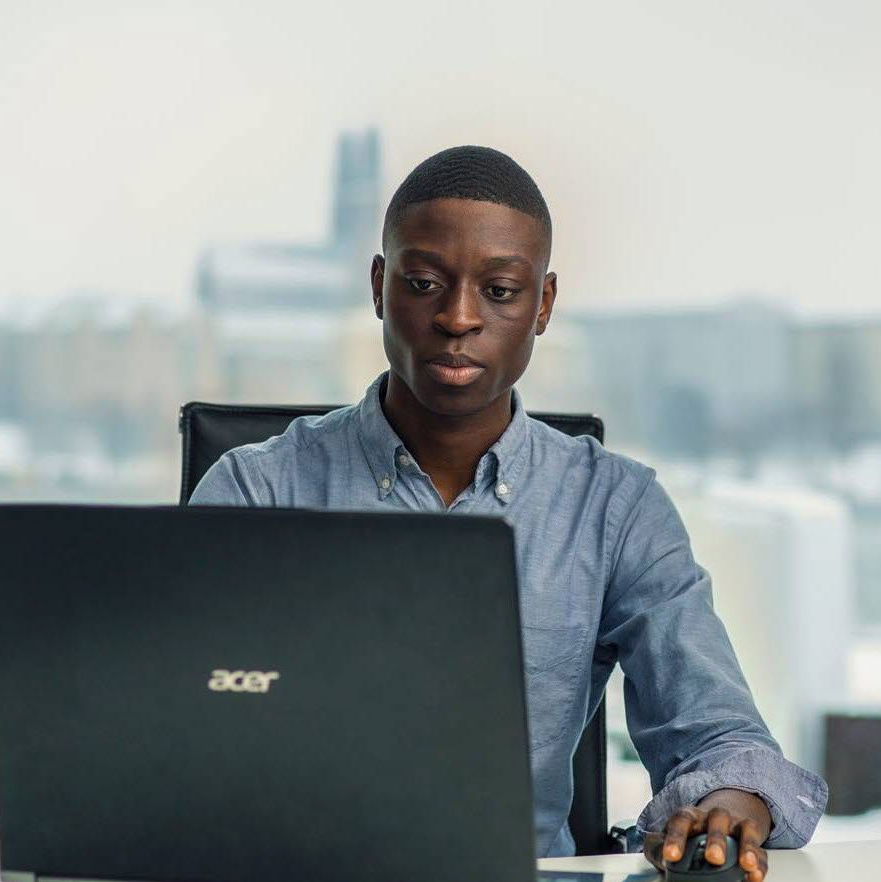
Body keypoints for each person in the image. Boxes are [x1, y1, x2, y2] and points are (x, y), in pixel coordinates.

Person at [189, 145, 825, 879]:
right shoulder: (255, 488)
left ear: (543, 305)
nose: (458, 318)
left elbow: (717, 733)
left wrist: (730, 794)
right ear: (379, 286)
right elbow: (174, 726)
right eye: (424, 283)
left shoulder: (616, 507)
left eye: (499, 290)